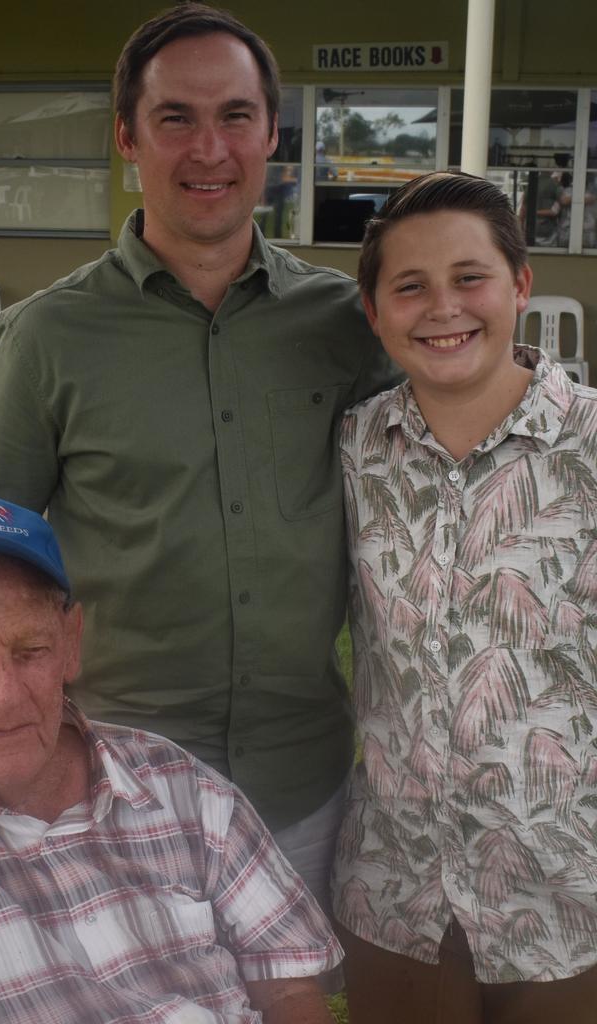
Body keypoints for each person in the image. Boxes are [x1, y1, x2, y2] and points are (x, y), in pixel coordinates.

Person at [0, 2, 400, 902]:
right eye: (176, 118)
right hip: (122, 790)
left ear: (272, 132)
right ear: (127, 136)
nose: (210, 149)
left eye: (235, 115)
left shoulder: (346, 327)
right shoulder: (49, 337)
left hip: (304, 786)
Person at [0, 494, 341, 1024]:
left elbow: (286, 987)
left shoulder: (184, 788)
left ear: (71, 643)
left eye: (31, 651)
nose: (6, 694)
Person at [332, 171, 597, 1023]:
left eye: (469, 278)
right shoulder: (354, 449)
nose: (443, 308)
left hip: (569, 895)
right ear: (375, 313)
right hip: (398, 890)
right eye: (410, 287)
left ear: (520, 285)